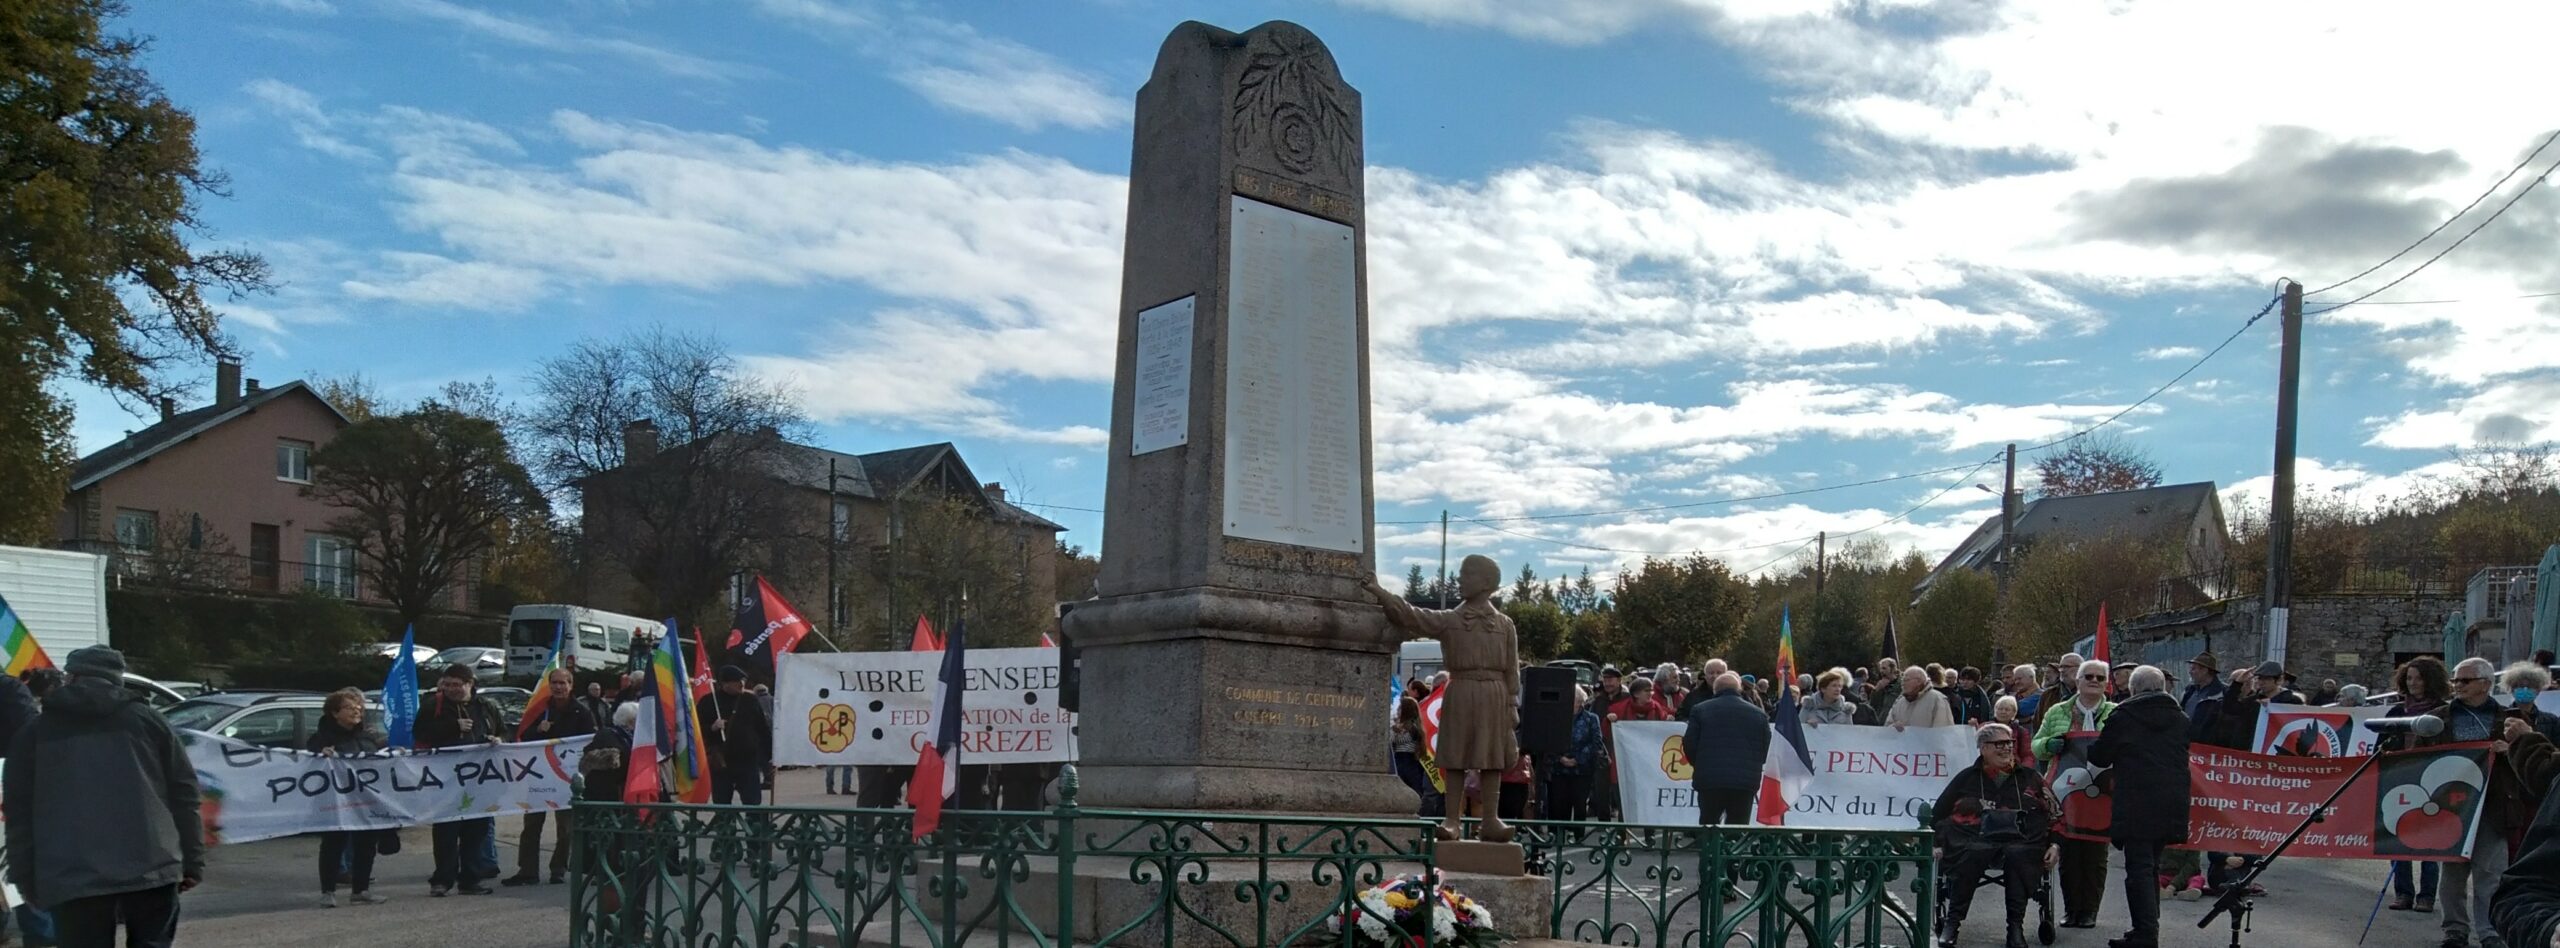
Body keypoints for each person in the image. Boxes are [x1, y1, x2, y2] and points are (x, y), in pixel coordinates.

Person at [4, 646, 204, 946]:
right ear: (117, 679)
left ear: (70, 678)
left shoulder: (36, 733)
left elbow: (19, 812)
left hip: (72, 875)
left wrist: (24, 876)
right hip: (153, 867)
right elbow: (184, 794)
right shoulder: (150, 722)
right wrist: (192, 861)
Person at [2424, 657, 2549, 948]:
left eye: (2464, 681)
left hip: (2494, 807)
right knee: (2452, 877)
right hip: (2450, 808)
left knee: (2490, 875)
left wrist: (2511, 749)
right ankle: (2454, 930)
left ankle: (2490, 932)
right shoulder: (2439, 717)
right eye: (2455, 680)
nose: (2457, 686)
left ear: (2485, 684)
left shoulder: (2511, 718)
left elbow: (2532, 759)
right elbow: (2420, 755)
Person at [1933, 722, 2058, 948]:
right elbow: (1937, 814)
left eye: (2009, 743)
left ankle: (2015, 928)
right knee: (1972, 852)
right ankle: (1952, 924)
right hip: (1973, 838)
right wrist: (1936, 843)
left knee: (2017, 855)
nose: (2006, 748)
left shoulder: (2030, 777)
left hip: (2022, 840)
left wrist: (2056, 845)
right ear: (1983, 748)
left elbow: (2055, 814)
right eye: (1999, 744)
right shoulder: (1967, 778)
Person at [2089, 666, 2189, 948]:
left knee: (2139, 870)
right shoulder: (2180, 718)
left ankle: (2146, 934)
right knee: (2151, 866)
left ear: (2133, 690)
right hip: (2171, 800)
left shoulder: (2124, 717)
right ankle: (2146, 929)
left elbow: (2100, 756)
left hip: (2137, 800)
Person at [2036, 658, 2115, 929]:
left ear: (2107, 683)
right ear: (2077, 681)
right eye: (2088, 676)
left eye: (2100, 678)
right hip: (2065, 790)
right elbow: (2036, 746)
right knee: (2068, 853)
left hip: (2102, 791)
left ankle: (2089, 911)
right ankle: (2071, 910)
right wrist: (2049, 743)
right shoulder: (2057, 711)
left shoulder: (2116, 712)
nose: (2094, 681)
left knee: (2095, 854)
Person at [416, 663, 502, 897]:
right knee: (446, 830)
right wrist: (452, 727)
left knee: (476, 831)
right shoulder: (434, 707)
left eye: (458, 684)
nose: (452, 689)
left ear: (470, 684)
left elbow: (503, 732)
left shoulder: (486, 707)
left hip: (478, 780)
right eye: (448, 684)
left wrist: (497, 738)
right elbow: (420, 735)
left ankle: (470, 879)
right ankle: (442, 879)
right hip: (446, 779)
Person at [505, 667, 595, 887]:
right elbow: (524, 737)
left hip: (567, 778)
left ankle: (558, 868)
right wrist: (539, 730)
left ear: (571, 685)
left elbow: (590, 741)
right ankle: (527, 871)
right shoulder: (540, 709)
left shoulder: (581, 712)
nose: (558, 687)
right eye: (554, 682)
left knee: (565, 828)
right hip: (539, 775)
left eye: (563, 683)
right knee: (531, 825)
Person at [307, 687, 389, 908]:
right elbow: (310, 762)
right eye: (349, 707)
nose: (357, 711)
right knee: (334, 844)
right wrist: (321, 755)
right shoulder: (321, 739)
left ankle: (360, 890)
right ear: (334, 713)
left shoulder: (366, 736)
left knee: (366, 844)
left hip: (365, 800)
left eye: (358, 707)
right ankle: (328, 891)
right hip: (336, 801)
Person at [2386, 657, 2451, 913]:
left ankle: (2426, 895)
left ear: (2430, 680)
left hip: (2433, 780)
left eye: (2419, 678)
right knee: (2398, 836)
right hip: (2400, 778)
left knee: (2430, 839)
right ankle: (2403, 892)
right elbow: (2381, 744)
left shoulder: (2445, 711)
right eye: (2410, 677)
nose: (2413, 683)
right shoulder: (2396, 712)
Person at [1680, 673, 1770, 828]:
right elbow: (1766, 746)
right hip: (1745, 780)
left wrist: (1700, 764)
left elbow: (1689, 743)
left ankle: (1708, 850)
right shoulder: (1758, 714)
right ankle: (1731, 850)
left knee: (1708, 824)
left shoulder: (1700, 710)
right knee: (1737, 827)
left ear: (1715, 689)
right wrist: (1753, 765)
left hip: (1710, 777)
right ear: (1740, 689)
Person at [698, 666, 775, 805]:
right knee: (722, 802)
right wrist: (712, 727)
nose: (742, 684)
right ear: (725, 683)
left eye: (743, 680)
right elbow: (697, 731)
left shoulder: (750, 700)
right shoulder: (708, 702)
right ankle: (726, 826)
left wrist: (771, 756)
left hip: (748, 761)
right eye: (737, 681)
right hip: (721, 762)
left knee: (753, 801)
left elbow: (762, 729)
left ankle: (753, 826)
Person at [1545, 687, 1605, 821]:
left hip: (1582, 770)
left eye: (1575, 699)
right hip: (1559, 769)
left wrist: (1577, 759)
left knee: (1579, 805)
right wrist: (1560, 758)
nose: (1571, 702)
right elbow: (1550, 739)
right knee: (1559, 804)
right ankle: (1559, 836)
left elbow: (1596, 742)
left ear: (1581, 701)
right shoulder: (1557, 717)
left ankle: (1578, 837)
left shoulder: (1591, 718)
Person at [1392, 696, 1437, 815]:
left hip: (1405, 760)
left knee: (1408, 787)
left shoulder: (1411, 729)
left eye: (1400, 708)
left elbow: (1396, 740)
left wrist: (1394, 731)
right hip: (1406, 760)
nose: (1398, 711)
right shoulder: (1413, 727)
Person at [1886, 666, 1954, 730]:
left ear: (1919, 681)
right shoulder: (1899, 702)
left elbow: (1943, 731)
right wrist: (1893, 727)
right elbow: (1886, 728)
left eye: (1906, 680)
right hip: (1902, 742)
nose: (1903, 683)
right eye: (1902, 680)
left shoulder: (1937, 699)